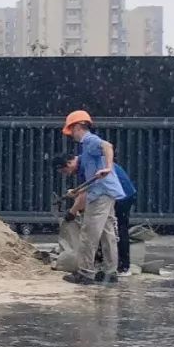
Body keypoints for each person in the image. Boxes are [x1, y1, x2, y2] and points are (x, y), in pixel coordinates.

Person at [60, 110, 125, 285]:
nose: (71, 134)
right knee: (107, 233)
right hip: (106, 192)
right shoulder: (86, 149)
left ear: (78, 126)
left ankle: (85, 273)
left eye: (71, 130)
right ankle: (111, 272)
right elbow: (93, 177)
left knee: (88, 234)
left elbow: (108, 146)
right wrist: (77, 191)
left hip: (100, 195)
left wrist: (109, 167)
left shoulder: (89, 140)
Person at [52, 152, 138, 275]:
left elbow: (86, 194)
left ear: (69, 162)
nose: (68, 174)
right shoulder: (85, 162)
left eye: (65, 171)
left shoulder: (86, 165)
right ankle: (111, 267)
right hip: (115, 194)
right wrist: (77, 192)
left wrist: (72, 212)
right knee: (109, 231)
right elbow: (90, 187)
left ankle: (123, 267)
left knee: (117, 229)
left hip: (122, 196)